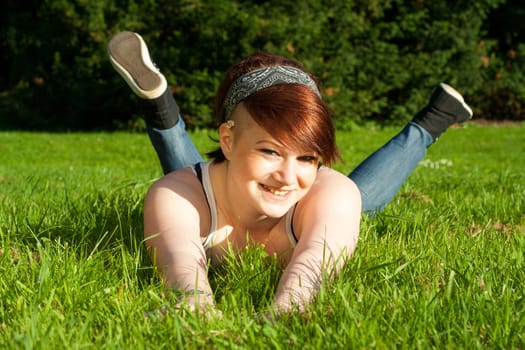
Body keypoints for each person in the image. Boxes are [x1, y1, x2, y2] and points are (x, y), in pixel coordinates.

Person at [107, 31, 473, 316]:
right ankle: (437, 116)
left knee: (356, 200)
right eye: (270, 151)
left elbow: (311, 270)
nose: (287, 176)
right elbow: (181, 269)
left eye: (308, 157)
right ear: (227, 139)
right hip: (207, 192)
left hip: (302, 202)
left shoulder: (331, 193)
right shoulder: (172, 195)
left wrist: (287, 309)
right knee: (186, 187)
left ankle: (159, 106)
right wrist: (194, 305)